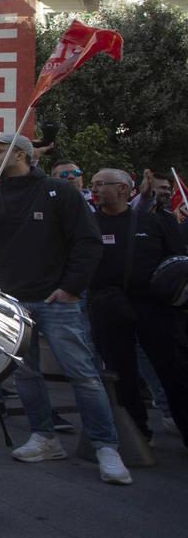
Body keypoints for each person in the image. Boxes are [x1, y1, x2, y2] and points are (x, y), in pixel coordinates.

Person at [0, 134, 131, 485]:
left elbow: (87, 242)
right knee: (26, 375)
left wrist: (72, 288)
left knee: (82, 374)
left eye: (0, 152)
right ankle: (44, 437)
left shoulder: (60, 192)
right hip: (11, 303)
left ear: (24, 155)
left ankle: (106, 446)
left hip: (55, 301)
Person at [86, 168, 188, 446]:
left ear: (123, 189)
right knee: (121, 374)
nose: (93, 190)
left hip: (154, 309)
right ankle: (138, 433)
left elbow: (178, 262)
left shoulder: (155, 222)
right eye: (92, 185)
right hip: (108, 309)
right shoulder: (87, 225)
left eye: (101, 184)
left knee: (173, 369)